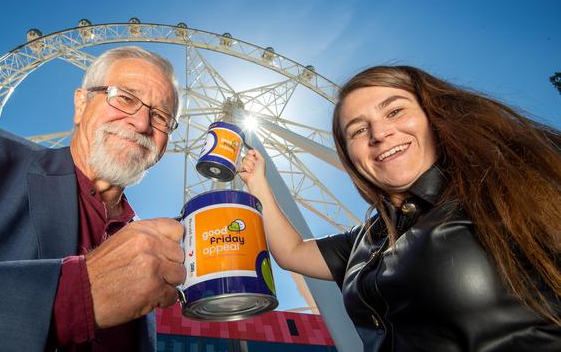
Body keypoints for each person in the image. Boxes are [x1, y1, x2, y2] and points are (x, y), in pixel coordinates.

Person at [239, 65, 561, 351]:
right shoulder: (366, 241)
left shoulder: (506, 190)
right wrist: (257, 183)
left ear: (433, 116)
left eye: (394, 112)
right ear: (349, 155)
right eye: (358, 130)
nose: (379, 134)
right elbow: (292, 252)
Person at [0, 46, 186, 351]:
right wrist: (73, 295)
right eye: (125, 97)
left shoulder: (156, 252)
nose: (142, 123)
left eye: (161, 117)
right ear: (81, 104)